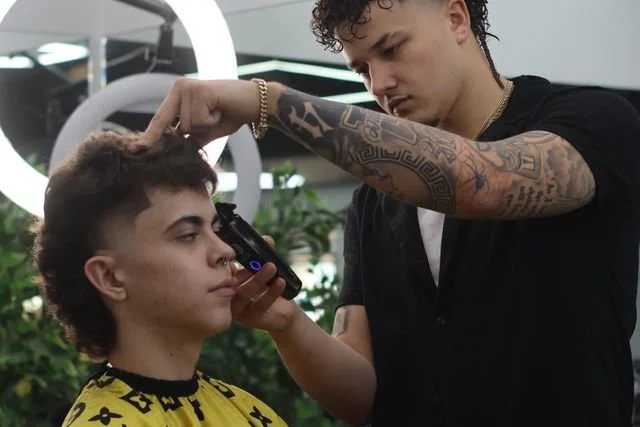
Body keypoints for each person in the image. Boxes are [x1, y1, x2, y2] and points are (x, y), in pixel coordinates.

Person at [142, 0, 640, 425]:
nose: (380, 83)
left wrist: (269, 101)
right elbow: (361, 397)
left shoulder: (592, 122)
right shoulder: (375, 200)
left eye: (393, 49)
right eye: (361, 69)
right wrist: (285, 323)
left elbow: (484, 183)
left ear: (456, 18)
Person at [32, 130, 289, 426]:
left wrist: (290, 325)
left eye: (215, 230)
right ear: (110, 277)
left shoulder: (247, 409)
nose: (225, 250)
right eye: (188, 235)